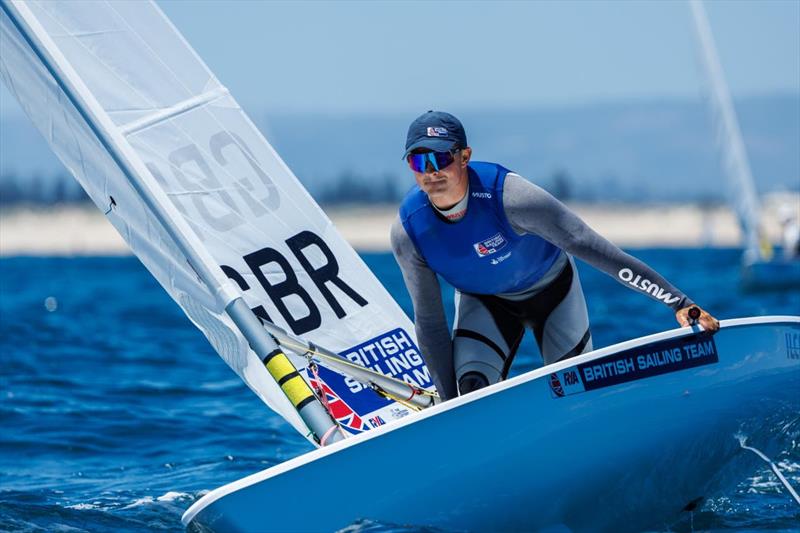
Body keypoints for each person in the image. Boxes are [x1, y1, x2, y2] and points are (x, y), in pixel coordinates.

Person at [391, 110, 720, 401]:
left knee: (573, 391)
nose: (431, 172)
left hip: (553, 292)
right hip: (485, 303)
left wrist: (678, 302)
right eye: (419, 162)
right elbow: (431, 323)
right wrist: (450, 409)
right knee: (471, 388)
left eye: (441, 159)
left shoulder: (512, 199)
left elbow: (591, 246)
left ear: (465, 157)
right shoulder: (409, 232)